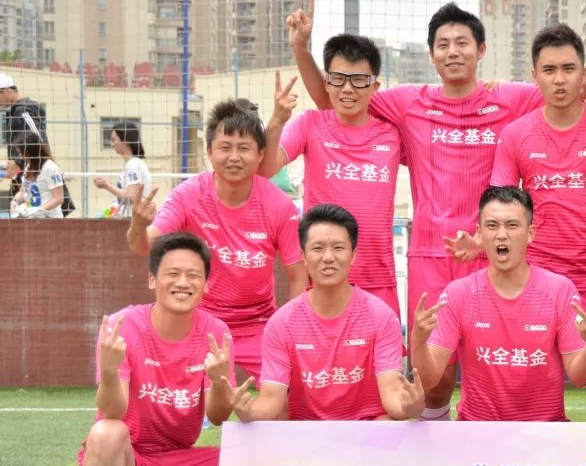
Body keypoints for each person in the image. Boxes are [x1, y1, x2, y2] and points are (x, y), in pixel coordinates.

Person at [288, 0, 586, 421]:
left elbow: (567, 90)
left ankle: (515, 433)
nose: (453, 51)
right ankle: (437, 445)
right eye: (443, 44)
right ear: (431, 54)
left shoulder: (511, 98)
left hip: (491, 252)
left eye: (462, 42)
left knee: (505, 355)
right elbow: (339, 96)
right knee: (436, 371)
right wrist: (301, 49)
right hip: (430, 254)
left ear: (481, 50)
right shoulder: (407, 102)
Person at [79, 232, 236, 466]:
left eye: (193, 275)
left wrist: (220, 382)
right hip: (126, 465)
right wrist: (109, 372)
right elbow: (113, 412)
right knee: (106, 432)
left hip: (176, 461)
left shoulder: (216, 331)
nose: (183, 283)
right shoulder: (123, 326)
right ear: (152, 280)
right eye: (172, 273)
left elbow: (217, 416)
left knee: (248, 463)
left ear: (207, 285)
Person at [127, 100, 307, 383]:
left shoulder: (279, 205)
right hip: (199, 320)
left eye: (244, 148)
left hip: (258, 324)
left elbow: (298, 276)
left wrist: (288, 330)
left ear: (261, 154)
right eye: (225, 147)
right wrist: (138, 225)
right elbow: (142, 246)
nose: (234, 157)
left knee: (289, 392)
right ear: (210, 152)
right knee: (178, 397)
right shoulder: (188, 195)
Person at [410, 186, 586, 421]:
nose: (502, 235)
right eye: (492, 226)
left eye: (512, 225)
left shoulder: (560, 290)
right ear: (479, 233)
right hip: (477, 431)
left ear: (530, 233)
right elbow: (429, 380)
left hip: (545, 432)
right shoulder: (459, 293)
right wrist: (418, 341)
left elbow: (579, 377)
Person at [230, 204, 425, 422]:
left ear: (353, 255)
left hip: (366, 431)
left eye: (339, 248)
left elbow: (392, 395)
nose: (328, 257)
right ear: (303, 256)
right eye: (318, 248)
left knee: (388, 423)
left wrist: (410, 406)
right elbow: (271, 401)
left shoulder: (381, 316)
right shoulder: (282, 323)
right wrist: (247, 411)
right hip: (306, 432)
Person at [490, 23, 586, 302]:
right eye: (549, 70)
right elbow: (501, 209)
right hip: (537, 281)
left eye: (568, 69)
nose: (559, 79)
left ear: (583, 73)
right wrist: (479, 242)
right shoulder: (515, 135)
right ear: (535, 76)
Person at [258, 35, 402, 317]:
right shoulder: (309, 124)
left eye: (359, 80)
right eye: (338, 79)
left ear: (375, 86)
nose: (348, 89)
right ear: (326, 83)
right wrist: (276, 121)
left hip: (377, 278)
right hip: (320, 276)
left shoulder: (393, 133)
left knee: (382, 347)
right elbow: (264, 169)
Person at [95, 120, 152, 217]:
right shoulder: (133, 164)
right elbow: (127, 195)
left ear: (126, 141)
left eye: (114, 140)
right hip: (131, 216)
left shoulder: (133, 165)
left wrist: (107, 186)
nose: (112, 144)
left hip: (132, 219)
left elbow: (133, 197)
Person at [10, 131, 64, 218]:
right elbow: (22, 191)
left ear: (30, 151)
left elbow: (59, 198)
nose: (20, 156)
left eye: (21, 153)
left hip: (50, 218)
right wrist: (14, 202)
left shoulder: (50, 167)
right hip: (31, 218)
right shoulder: (28, 166)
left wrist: (39, 210)